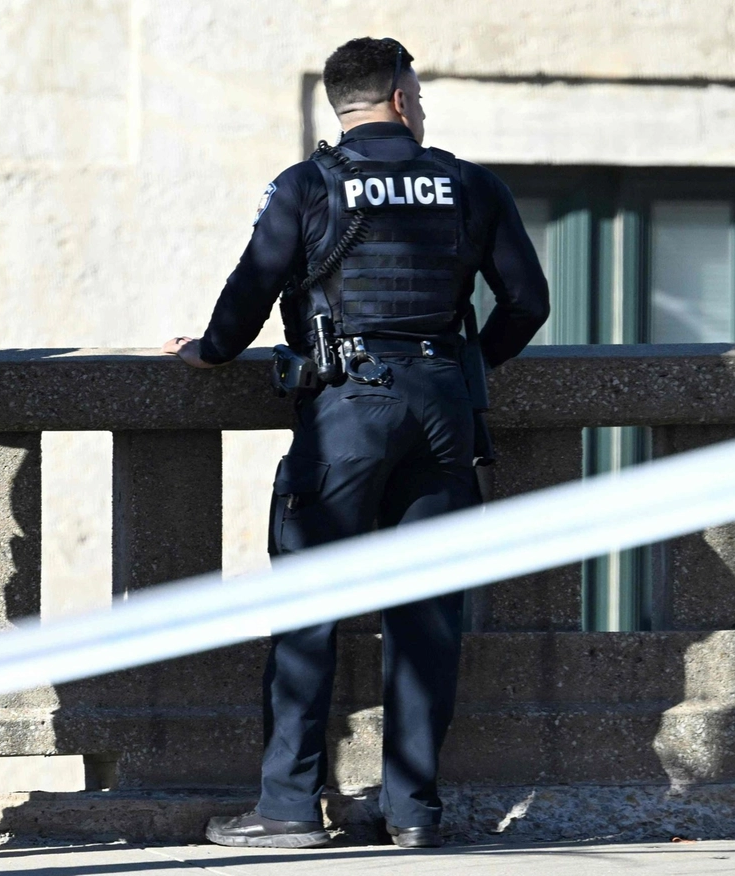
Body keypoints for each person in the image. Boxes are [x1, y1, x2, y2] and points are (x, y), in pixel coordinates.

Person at [164, 37, 549, 850]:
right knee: (428, 619)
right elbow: (528, 301)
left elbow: (249, 294)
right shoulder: (468, 183)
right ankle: (413, 812)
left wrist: (208, 350)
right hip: (445, 409)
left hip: (346, 409)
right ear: (403, 99)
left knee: (308, 608)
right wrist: (464, 365)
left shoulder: (308, 185)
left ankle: (288, 808)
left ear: (342, 105)